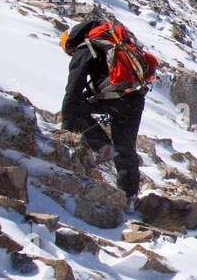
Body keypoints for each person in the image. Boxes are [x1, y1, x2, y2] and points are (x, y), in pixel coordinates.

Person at [59, 16, 157, 207]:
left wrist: (66, 121)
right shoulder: (114, 41)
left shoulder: (86, 48)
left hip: (114, 97)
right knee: (126, 148)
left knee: (74, 110)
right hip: (134, 98)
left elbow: (73, 89)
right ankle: (129, 198)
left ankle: (103, 149)